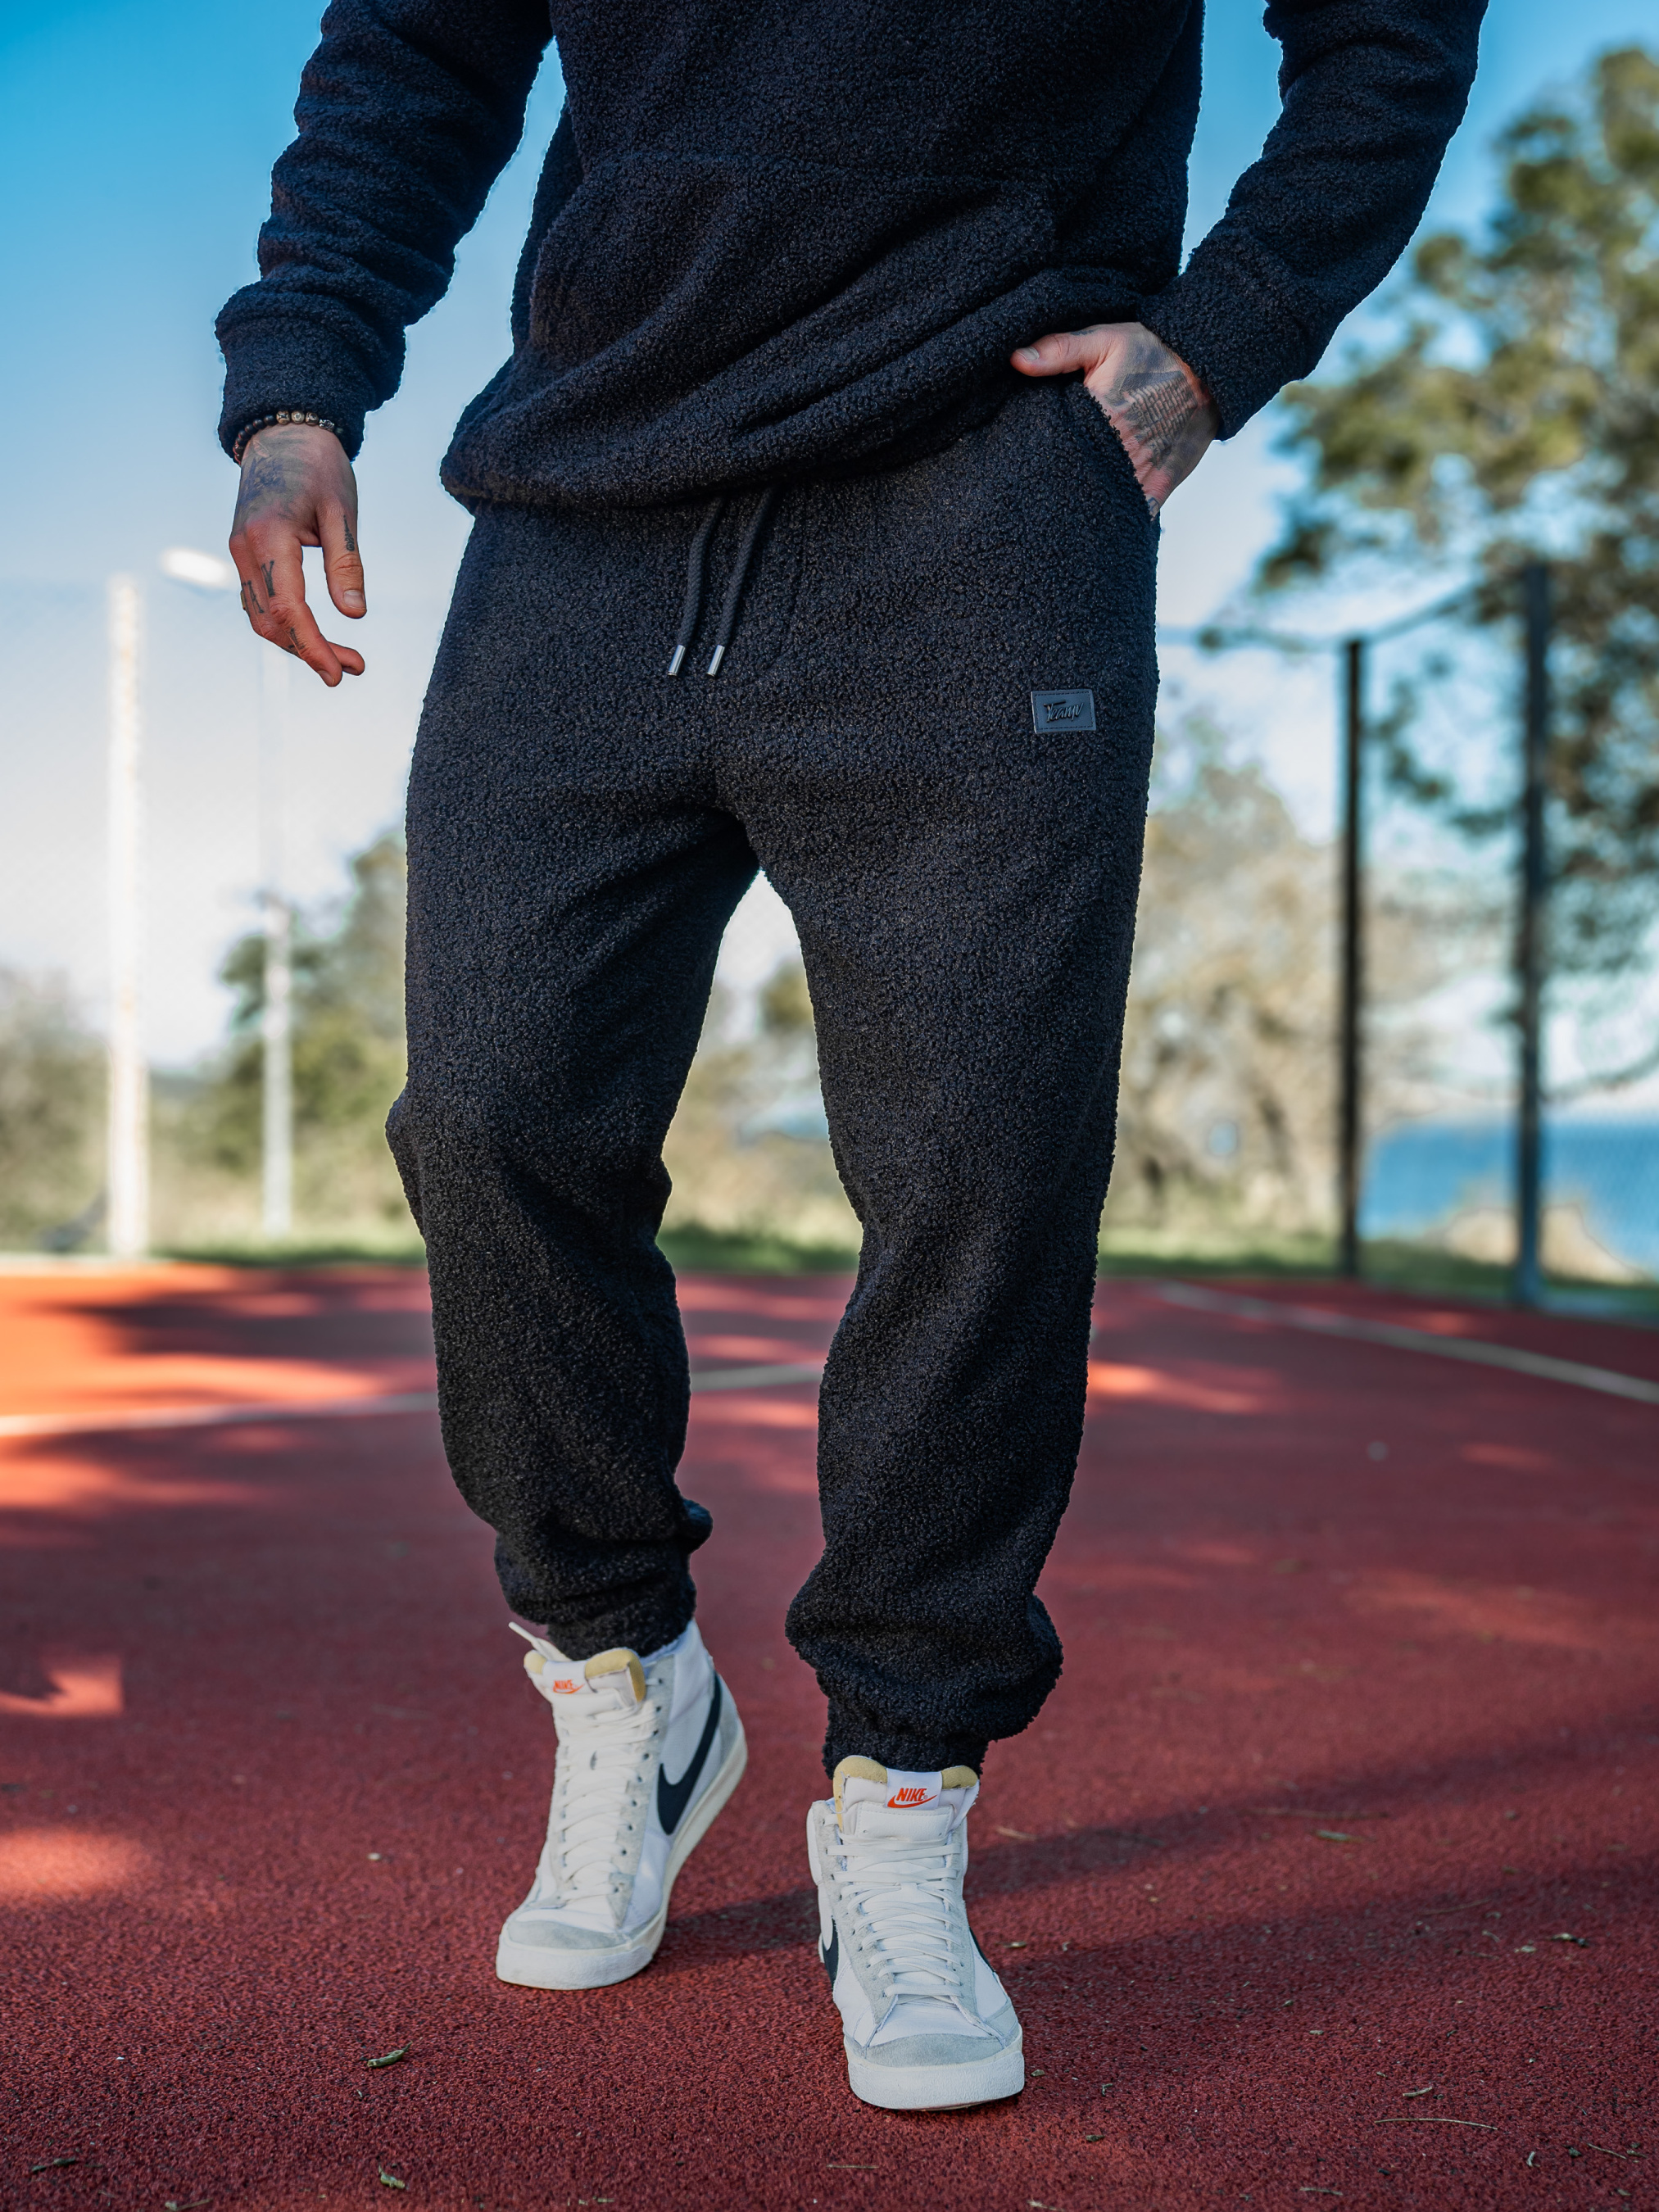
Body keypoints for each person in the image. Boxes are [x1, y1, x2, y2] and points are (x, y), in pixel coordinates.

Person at [220, 0, 1485, 2112]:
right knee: (493, 1121)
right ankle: (623, 1667)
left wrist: (1233, 328)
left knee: (983, 1165)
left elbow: (1393, 29)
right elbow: (413, 53)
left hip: (977, 507)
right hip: (587, 511)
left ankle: (903, 1780)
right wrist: (300, 384)